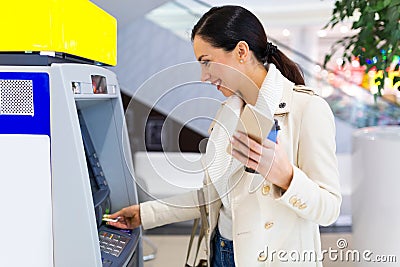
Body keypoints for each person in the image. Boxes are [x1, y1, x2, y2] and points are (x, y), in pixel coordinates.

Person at [107, 5, 341, 267]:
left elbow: (329, 208)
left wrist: (285, 176)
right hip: (221, 251)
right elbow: (213, 197)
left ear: (241, 51)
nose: (203, 76)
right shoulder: (228, 113)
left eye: (206, 61)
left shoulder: (306, 109)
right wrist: (145, 214)